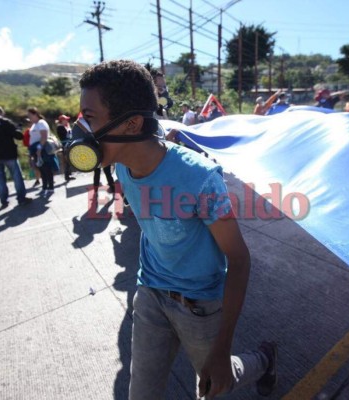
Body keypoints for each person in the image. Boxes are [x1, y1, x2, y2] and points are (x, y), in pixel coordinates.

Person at [78, 59, 277, 399]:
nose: (80, 130)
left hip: (200, 306)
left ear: (131, 125)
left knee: (217, 382)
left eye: (90, 117)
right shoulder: (124, 167)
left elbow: (239, 259)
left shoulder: (200, 179)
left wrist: (221, 347)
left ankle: (262, 360)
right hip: (151, 294)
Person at [27, 107, 59, 197]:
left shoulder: (41, 123)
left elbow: (44, 137)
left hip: (42, 149)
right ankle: (45, 187)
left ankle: (50, 188)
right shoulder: (35, 124)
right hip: (36, 149)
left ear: (35, 114)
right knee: (41, 169)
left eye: (30, 115)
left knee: (46, 169)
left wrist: (39, 148)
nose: (29, 117)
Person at [56, 114, 75, 181]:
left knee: (69, 160)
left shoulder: (65, 126)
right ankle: (67, 176)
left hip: (68, 144)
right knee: (67, 160)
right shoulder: (60, 127)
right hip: (65, 144)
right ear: (62, 120)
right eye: (65, 120)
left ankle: (69, 174)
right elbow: (66, 136)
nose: (67, 121)